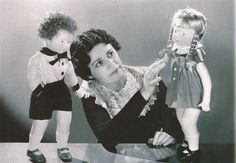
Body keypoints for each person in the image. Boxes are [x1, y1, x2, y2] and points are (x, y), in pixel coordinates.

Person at [70, 29, 184, 153]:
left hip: (156, 155)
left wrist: (170, 136)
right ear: (89, 74)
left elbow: (177, 124)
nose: (112, 64)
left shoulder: (147, 76)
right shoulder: (89, 92)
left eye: (110, 54)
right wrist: (143, 93)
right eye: (99, 63)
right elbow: (107, 139)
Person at [158, 8, 212, 160]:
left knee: (188, 122)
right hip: (178, 94)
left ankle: (194, 150)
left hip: (194, 95)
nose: (178, 36)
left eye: (184, 33)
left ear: (195, 36)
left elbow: (206, 78)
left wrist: (206, 99)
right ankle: (188, 142)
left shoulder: (195, 54)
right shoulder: (176, 51)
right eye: (176, 31)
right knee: (181, 119)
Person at [27, 11, 80, 163]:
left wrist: (77, 88)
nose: (66, 45)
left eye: (69, 41)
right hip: (43, 92)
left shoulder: (65, 57)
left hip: (61, 91)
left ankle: (62, 147)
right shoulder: (36, 60)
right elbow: (32, 77)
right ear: (47, 37)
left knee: (65, 121)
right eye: (62, 41)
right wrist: (38, 91)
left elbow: (70, 74)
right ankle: (32, 149)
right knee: (40, 124)